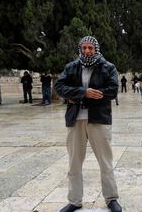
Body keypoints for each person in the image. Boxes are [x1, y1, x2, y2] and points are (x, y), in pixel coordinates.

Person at [55, 36, 122, 212]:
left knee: (105, 161)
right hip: (75, 120)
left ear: (96, 49)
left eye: (90, 48)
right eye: (84, 48)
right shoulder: (71, 67)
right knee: (74, 162)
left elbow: (113, 90)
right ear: (80, 49)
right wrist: (83, 92)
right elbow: (60, 87)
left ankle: (111, 198)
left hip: (98, 119)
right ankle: (75, 200)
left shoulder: (107, 67)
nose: (87, 51)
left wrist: (80, 95)